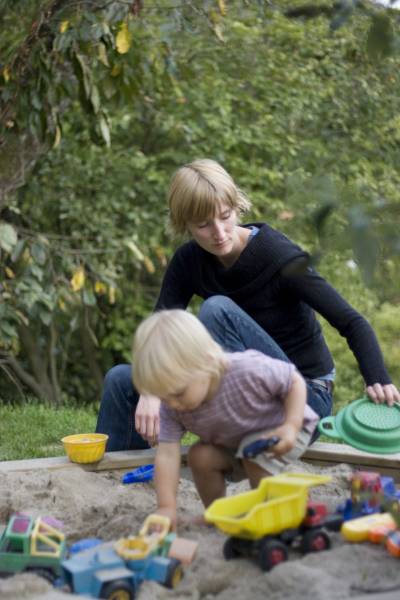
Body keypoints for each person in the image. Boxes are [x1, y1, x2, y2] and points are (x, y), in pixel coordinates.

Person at [96, 159, 399, 451]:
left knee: (216, 309)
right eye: (203, 224)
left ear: (237, 206)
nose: (219, 232)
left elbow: (351, 321)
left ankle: (225, 437)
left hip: (304, 398)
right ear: (184, 224)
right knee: (123, 379)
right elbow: (157, 334)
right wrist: (150, 391)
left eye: (225, 216)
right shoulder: (188, 262)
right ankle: (113, 477)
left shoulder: (279, 256)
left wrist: (378, 379)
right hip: (242, 389)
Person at [132, 309, 319, 529]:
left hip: (286, 427)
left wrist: (291, 425)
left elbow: (293, 381)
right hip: (238, 445)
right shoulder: (173, 406)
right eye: (163, 396)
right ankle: (218, 514)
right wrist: (166, 507)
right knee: (200, 456)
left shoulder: (246, 369)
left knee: (254, 451)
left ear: (206, 361)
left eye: (178, 393)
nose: (172, 404)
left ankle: (274, 511)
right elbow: (167, 455)